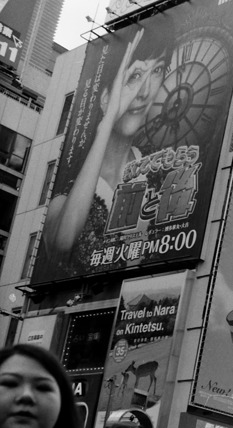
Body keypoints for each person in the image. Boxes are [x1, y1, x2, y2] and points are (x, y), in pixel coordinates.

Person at [42, 23, 174, 259]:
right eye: (135, 76)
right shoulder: (64, 196)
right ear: (104, 98)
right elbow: (63, 241)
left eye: (157, 71)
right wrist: (107, 123)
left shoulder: (162, 170)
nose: (143, 92)